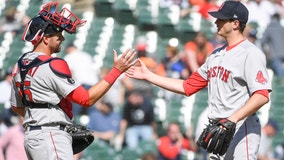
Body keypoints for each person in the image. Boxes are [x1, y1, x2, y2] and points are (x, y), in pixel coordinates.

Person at [126, 1, 272, 159]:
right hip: (218, 129)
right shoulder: (215, 55)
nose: (216, 22)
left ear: (235, 23)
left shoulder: (250, 53)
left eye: (222, 19)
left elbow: (262, 95)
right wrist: (149, 76)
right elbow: (187, 86)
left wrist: (232, 119)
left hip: (241, 128)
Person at [10, 2, 137, 160]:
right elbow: (86, 98)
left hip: (32, 137)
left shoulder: (19, 65)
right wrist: (116, 71)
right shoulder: (53, 64)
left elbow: (16, 106)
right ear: (45, 38)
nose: (62, 38)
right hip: (51, 136)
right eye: (58, 34)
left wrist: (40, 119)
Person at [64, 42, 99, 118]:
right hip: (94, 85)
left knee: (73, 112)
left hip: (82, 85)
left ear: (69, 49)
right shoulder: (87, 55)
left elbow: (67, 72)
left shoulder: (70, 56)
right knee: (92, 112)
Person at [261, 13, 284, 77]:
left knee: (280, 78)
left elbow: (262, 41)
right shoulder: (282, 28)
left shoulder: (269, 29)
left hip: (275, 55)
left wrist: (265, 51)